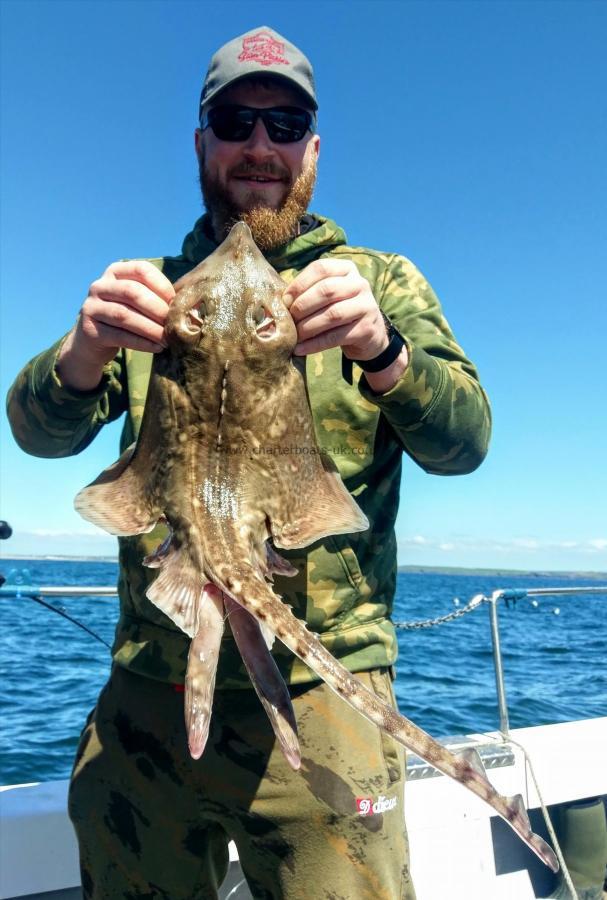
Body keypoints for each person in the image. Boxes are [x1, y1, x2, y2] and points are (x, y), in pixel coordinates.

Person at [7, 26, 491, 900]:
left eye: (285, 122)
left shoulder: (376, 284)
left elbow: (465, 443)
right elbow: (37, 433)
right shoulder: (154, 292)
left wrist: (382, 352)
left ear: (312, 146)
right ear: (202, 142)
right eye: (236, 120)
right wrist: (82, 352)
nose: (260, 145)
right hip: (147, 695)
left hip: (321, 690)